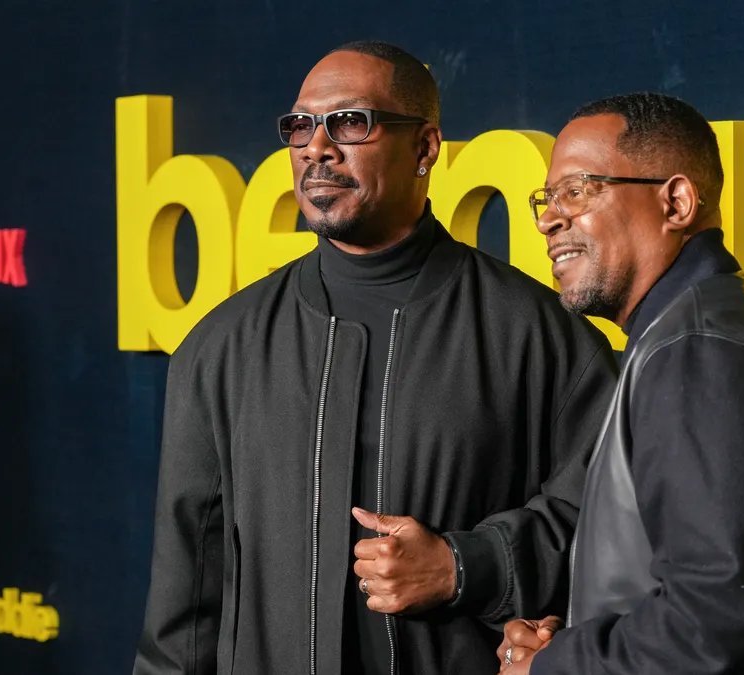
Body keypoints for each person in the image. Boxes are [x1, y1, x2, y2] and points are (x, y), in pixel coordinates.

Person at [131, 41, 617, 675]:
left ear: (425, 148)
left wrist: (463, 564)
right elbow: (186, 598)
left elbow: (609, 527)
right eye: (301, 126)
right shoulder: (220, 347)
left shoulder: (541, 333)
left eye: (350, 122)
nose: (316, 147)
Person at [497, 92, 744, 674]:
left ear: (675, 202)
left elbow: (715, 624)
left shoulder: (699, 347)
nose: (550, 218)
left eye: (577, 190)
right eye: (546, 198)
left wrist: (556, 668)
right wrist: (572, 643)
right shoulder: (697, 328)